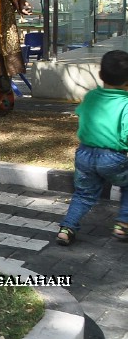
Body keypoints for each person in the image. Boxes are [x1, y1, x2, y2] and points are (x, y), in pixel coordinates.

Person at [56, 51, 128, 246]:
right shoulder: (125, 103)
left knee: (83, 194)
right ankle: (123, 224)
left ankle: (67, 228)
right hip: (113, 157)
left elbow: (82, 117)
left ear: (100, 74)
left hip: (85, 155)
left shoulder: (91, 96)